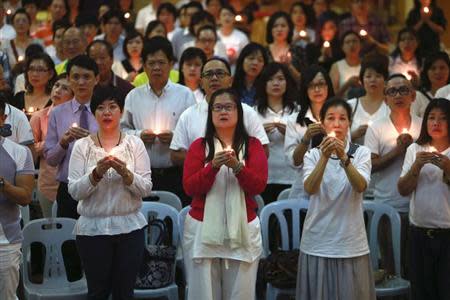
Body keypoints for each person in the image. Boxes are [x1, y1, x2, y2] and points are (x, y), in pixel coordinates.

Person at [182, 87, 267, 300]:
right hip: (203, 227)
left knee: (241, 293)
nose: (223, 112)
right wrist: (212, 167)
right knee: (203, 293)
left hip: (242, 227)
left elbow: (258, 186)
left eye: (228, 107)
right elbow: (190, 188)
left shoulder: (253, 145)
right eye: (217, 108)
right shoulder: (199, 146)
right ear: (210, 115)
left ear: (238, 112)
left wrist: (238, 168)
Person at [68, 86, 152, 299]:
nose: (107, 112)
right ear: (94, 113)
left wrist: (125, 172)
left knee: (125, 292)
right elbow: (74, 191)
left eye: (112, 107)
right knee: (97, 292)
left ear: (121, 112)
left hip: (129, 229)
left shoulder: (134, 144)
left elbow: (146, 188)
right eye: (101, 108)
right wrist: (96, 173)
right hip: (93, 231)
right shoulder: (82, 147)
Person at [297, 97, 375, 300]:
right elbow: (310, 188)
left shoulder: (361, 153)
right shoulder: (313, 155)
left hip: (350, 242)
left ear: (349, 122)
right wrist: (324, 157)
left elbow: (360, 186)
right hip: (317, 241)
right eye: (331, 118)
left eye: (342, 118)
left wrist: (343, 157)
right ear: (322, 123)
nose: (337, 124)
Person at [120, 36, 195, 203]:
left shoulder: (185, 95)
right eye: (151, 63)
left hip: (176, 172)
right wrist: (139, 135)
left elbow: (195, 134)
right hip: (142, 173)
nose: (156, 68)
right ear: (144, 65)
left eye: (161, 62)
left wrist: (175, 137)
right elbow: (122, 132)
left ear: (171, 64)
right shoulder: (133, 96)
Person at [365, 73, 423, 277]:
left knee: (417, 267)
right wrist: (397, 152)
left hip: (420, 205)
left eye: (403, 90)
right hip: (387, 204)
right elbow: (369, 166)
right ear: (385, 99)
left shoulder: (424, 125)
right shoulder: (376, 129)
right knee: (391, 267)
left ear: (413, 96)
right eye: (392, 91)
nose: (398, 95)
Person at [170, 57, 269, 170]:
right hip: (202, 183)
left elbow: (264, 150)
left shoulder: (247, 112)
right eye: (208, 74)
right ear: (201, 83)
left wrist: (237, 163)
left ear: (230, 81)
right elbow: (175, 156)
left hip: (240, 182)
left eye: (220, 73)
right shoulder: (188, 115)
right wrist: (208, 161)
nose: (214, 78)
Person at [398, 98, 450, 300]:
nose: (436, 123)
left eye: (443, 118)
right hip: (418, 233)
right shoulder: (414, 150)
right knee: (421, 291)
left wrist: (447, 168)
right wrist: (416, 167)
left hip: (447, 233)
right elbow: (402, 190)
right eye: (431, 118)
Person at [44, 55, 99, 219]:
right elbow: (50, 159)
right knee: (68, 241)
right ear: (68, 79)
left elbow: (117, 149)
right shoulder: (58, 113)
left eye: (86, 77)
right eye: (75, 77)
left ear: (96, 79)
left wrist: (94, 140)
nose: (81, 82)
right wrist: (63, 143)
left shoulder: (105, 110)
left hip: (99, 187)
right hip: (68, 189)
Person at [0, 94, 35, 300]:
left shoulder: (19, 152)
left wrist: (3, 185)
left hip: (5, 241)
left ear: (2, 118)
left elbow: (25, 196)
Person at [284, 64, 333, 199]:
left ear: (328, 86)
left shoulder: (338, 118)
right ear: (305, 89)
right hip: (303, 189)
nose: (317, 89)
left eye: (321, 84)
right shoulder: (294, 120)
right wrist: (306, 139)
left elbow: (347, 154)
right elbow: (294, 162)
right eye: (311, 85)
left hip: (333, 187)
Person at [30, 73, 73, 218]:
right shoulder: (39, 117)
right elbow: (29, 153)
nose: (58, 90)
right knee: (50, 229)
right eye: (56, 85)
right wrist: (48, 145)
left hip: (71, 183)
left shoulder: (79, 118)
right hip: (48, 183)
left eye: (65, 88)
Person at [255, 62, 298, 203]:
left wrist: (290, 134)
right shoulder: (253, 112)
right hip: (264, 176)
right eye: (270, 79)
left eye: (280, 79)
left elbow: (307, 143)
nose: (276, 83)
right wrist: (260, 136)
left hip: (290, 175)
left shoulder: (297, 111)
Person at [348, 53, 390, 144]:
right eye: (368, 76)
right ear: (362, 80)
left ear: (385, 80)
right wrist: (353, 135)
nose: (373, 80)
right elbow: (337, 139)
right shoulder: (350, 106)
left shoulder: (391, 106)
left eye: (378, 76)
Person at [265, 11, 303, 82]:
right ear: (270, 29)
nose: (279, 29)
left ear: (289, 29)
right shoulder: (263, 51)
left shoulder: (298, 51)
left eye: (283, 26)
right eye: (275, 26)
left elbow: (304, 80)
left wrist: (289, 66)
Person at [412, 51, 450, 118]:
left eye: (442, 68)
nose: (438, 72)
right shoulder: (418, 96)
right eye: (433, 68)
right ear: (426, 72)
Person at [232, 42, 268, 106]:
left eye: (260, 60)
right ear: (242, 60)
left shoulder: (267, 86)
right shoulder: (231, 83)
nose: (255, 63)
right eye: (251, 58)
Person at [329, 30, 361, 98]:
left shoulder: (366, 64)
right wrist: (348, 84)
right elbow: (332, 95)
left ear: (360, 45)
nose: (351, 45)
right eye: (347, 42)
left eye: (354, 41)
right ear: (342, 47)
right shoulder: (336, 66)